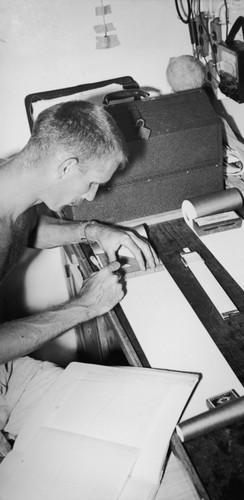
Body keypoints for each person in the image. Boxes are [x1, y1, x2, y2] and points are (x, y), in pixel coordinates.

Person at [0, 100, 159, 457]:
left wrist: (92, 230)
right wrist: (85, 306)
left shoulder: (10, 180)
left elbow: (24, 229)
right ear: (67, 166)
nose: (90, 196)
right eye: (91, 183)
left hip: (8, 373)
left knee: (131, 422)